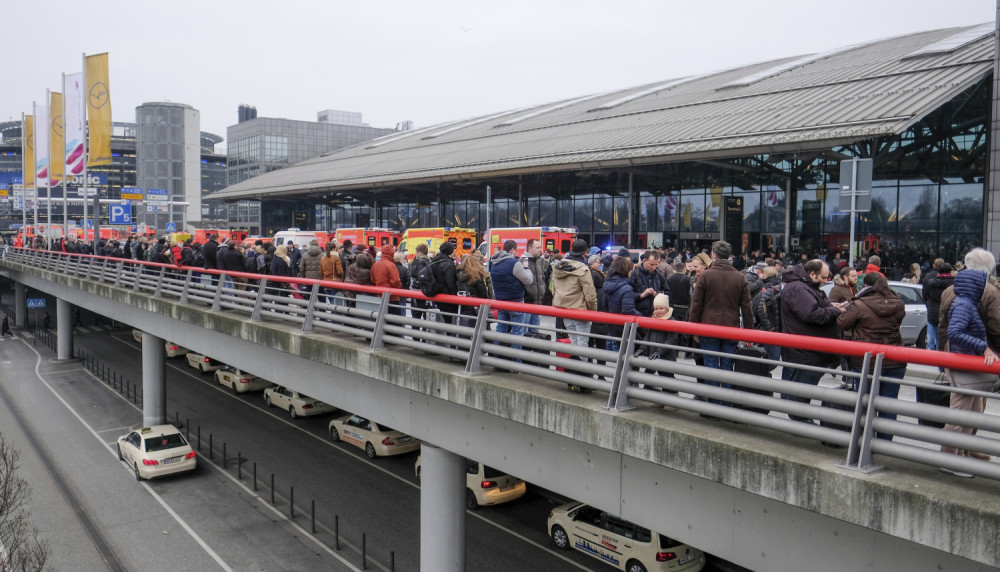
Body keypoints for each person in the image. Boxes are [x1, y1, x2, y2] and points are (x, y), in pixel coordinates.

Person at [938, 249, 999, 474]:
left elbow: (943, 326)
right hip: (973, 360)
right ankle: (951, 460)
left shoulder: (950, 290)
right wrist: (986, 348)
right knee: (963, 413)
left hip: (954, 356)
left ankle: (960, 456)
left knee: (970, 412)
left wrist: (941, 356)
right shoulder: (987, 292)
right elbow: (996, 327)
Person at [836, 272, 906, 440]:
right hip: (894, 360)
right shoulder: (898, 303)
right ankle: (884, 443)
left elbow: (841, 322)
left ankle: (864, 442)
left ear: (866, 286)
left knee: (865, 404)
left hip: (866, 360)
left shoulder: (859, 304)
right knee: (888, 405)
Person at [778, 259, 846, 422]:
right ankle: (801, 423)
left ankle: (800, 421)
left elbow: (811, 308)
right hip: (805, 351)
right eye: (823, 277)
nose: (825, 281)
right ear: (811, 274)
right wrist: (834, 310)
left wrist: (829, 306)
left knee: (798, 390)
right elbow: (811, 314)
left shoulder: (800, 286)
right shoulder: (799, 288)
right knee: (801, 392)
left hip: (804, 350)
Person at [688, 240, 753, 405]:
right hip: (731, 327)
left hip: (708, 327)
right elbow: (747, 308)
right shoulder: (740, 277)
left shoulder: (706, 276)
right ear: (730, 255)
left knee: (710, 365)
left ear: (713, 255)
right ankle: (727, 404)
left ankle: (714, 405)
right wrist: (749, 333)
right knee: (727, 366)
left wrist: (694, 328)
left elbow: (696, 305)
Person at [551, 239, 598, 351]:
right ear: (584, 253)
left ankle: (573, 367)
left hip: (565, 310)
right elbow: (590, 295)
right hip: (581, 311)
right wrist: (593, 311)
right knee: (582, 344)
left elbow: (553, 289)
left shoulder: (559, 267)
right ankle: (580, 368)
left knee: (573, 342)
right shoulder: (583, 269)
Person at [489, 239, 533, 346]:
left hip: (501, 302)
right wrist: (526, 268)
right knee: (517, 332)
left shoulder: (493, 262)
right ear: (512, 250)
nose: (517, 253)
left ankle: (496, 358)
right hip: (516, 301)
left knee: (501, 330)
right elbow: (528, 281)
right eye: (516, 250)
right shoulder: (514, 263)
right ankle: (516, 360)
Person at [602, 256, 640, 353]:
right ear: (627, 270)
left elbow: (604, 306)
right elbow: (627, 310)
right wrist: (641, 316)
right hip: (624, 326)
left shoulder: (607, 285)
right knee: (631, 352)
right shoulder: (627, 288)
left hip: (612, 324)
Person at [922, 260, 954, 352]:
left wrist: (929, 304)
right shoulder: (954, 283)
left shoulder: (930, 281)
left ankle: (931, 350)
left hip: (933, 311)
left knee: (933, 332)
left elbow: (925, 294)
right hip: (948, 312)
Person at [519, 238, 547, 337]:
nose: (540, 249)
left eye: (540, 247)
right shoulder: (523, 261)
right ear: (530, 248)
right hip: (527, 303)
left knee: (535, 333)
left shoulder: (538, 261)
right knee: (525, 333)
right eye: (537, 247)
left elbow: (541, 278)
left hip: (537, 303)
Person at [629, 250, 669, 318]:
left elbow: (668, 292)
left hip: (656, 315)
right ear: (644, 261)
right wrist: (641, 295)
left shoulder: (659, 275)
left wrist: (660, 296)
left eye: (656, 264)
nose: (654, 267)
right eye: (651, 264)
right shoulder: (634, 274)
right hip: (639, 315)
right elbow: (627, 296)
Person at [457, 254, 491, 327]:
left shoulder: (458, 275)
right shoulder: (477, 276)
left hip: (463, 304)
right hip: (476, 305)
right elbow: (483, 293)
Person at [371, 244, 404, 315]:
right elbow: (395, 281)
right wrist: (399, 286)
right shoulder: (391, 265)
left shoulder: (375, 264)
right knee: (395, 321)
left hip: (379, 295)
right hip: (392, 297)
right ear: (391, 254)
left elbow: (373, 279)